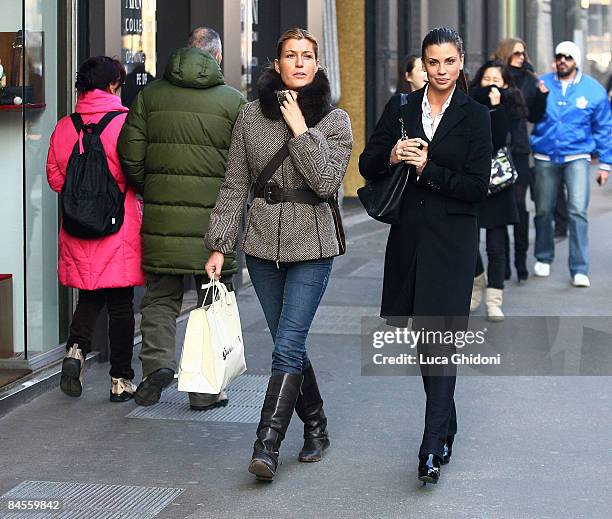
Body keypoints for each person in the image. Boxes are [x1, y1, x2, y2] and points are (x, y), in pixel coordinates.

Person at [205, 27, 353, 481]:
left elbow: (327, 184)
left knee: (287, 345)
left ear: (318, 64)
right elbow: (235, 185)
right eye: (291, 55)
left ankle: (265, 446)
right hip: (263, 246)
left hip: (313, 244)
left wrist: (299, 129)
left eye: (308, 56)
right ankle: (315, 424)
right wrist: (218, 244)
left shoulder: (335, 120)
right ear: (277, 64)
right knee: (288, 343)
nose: (301, 63)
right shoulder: (250, 117)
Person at [359, 27, 491, 485]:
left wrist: (428, 169)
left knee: (442, 341)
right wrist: (394, 153)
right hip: (410, 240)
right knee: (425, 341)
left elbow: (477, 187)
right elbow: (367, 164)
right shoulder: (401, 108)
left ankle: (430, 443)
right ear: (423, 63)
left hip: (452, 242)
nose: (441, 71)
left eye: (450, 62)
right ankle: (447, 423)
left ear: (461, 63)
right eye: (433, 62)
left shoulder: (475, 117)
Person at [117, 27, 245, 409]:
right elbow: (244, 164)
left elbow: (130, 154)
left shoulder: (150, 96)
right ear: (217, 58)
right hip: (214, 222)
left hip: (162, 217)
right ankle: (204, 391)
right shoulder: (233, 101)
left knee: (160, 297)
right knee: (212, 300)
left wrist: (154, 188)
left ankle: (157, 366)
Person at [46, 56, 144, 402]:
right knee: (120, 303)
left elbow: (56, 179)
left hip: (77, 225)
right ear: (114, 85)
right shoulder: (125, 123)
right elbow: (135, 173)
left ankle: (75, 350)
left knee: (89, 294)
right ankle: (121, 380)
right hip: (117, 226)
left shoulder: (64, 126)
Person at [530, 41, 612, 287]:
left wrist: (605, 165)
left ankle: (579, 268)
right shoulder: (542, 83)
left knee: (577, 211)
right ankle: (543, 256)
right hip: (545, 155)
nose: (562, 60)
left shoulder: (593, 90)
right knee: (543, 210)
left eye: (568, 57)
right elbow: (530, 112)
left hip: (577, 156)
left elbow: (604, 127)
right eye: (559, 56)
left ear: (576, 61)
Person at [469, 60, 524, 320]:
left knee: (496, 245)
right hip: (472, 182)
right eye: (486, 79)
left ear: (505, 84)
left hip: (498, 183)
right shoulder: (466, 105)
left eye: (497, 79)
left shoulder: (510, 106)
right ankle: (477, 281)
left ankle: (494, 299)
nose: (491, 83)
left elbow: (501, 139)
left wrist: (495, 106)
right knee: (468, 241)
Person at [494, 38, 549, 279]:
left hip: (519, 149)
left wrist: (542, 97)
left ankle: (520, 259)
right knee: (500, 207)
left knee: (518, 206)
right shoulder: (494, 76)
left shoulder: (529, 78)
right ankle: (503, 263)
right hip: (497, 148)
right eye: (517, 53)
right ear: (506, 54)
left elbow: (534, 117)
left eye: (523, 53)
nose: (522, 57)